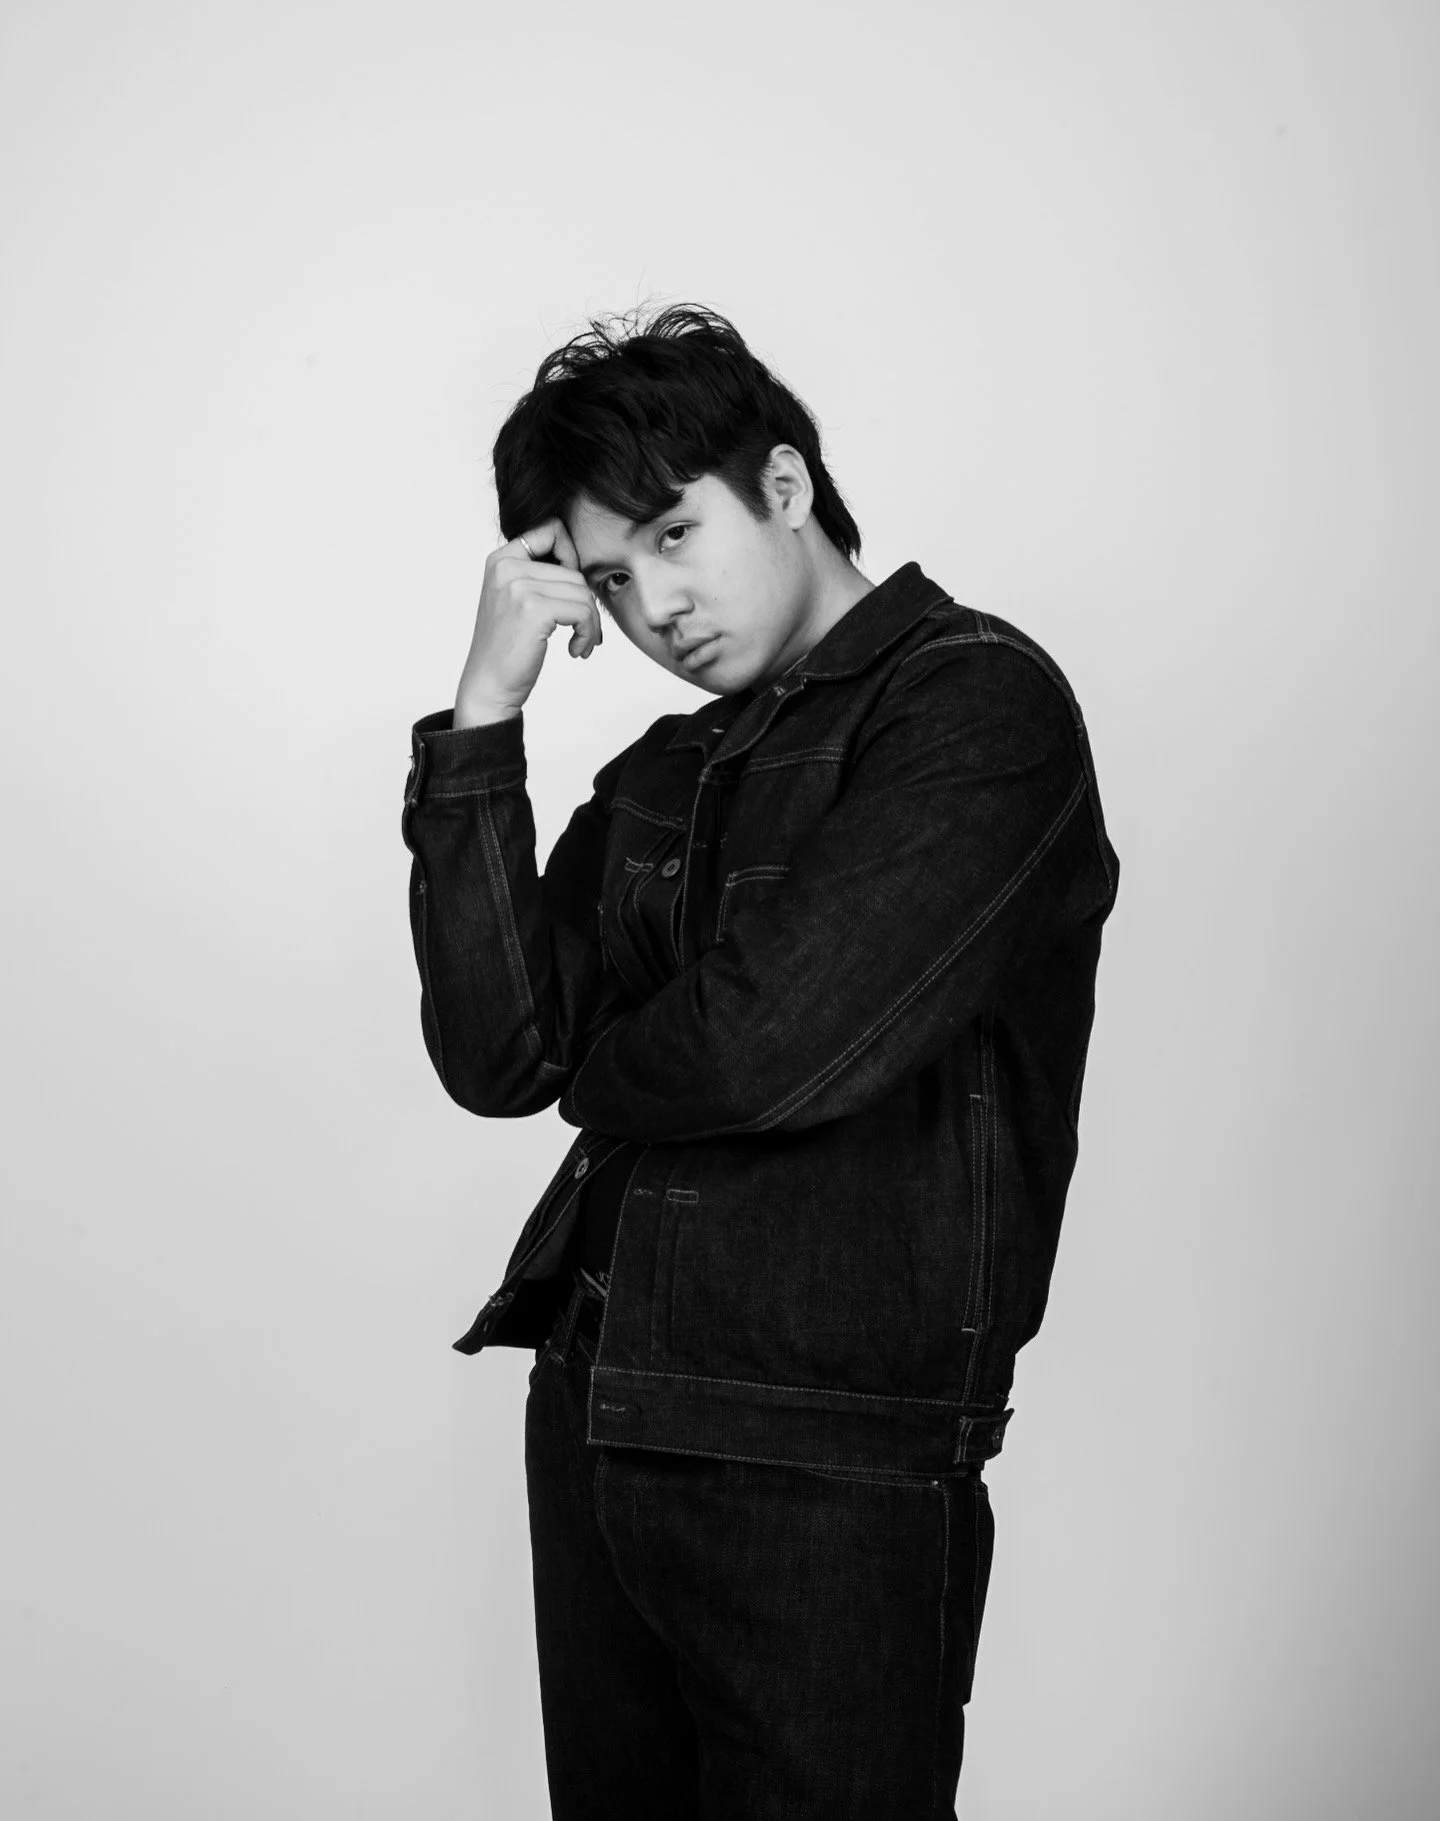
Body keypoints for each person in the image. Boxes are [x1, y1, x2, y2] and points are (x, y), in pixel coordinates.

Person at [399, 304, 1120, 1819]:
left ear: (784, 486)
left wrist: (612, 1061)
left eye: (673, 535)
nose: (656, 607)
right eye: (609, 580)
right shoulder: (667, 768)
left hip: (824, 1460)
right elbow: (497, 1054)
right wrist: (483, 722)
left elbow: (770, 1048)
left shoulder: (977, 705)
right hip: (600, 1414)